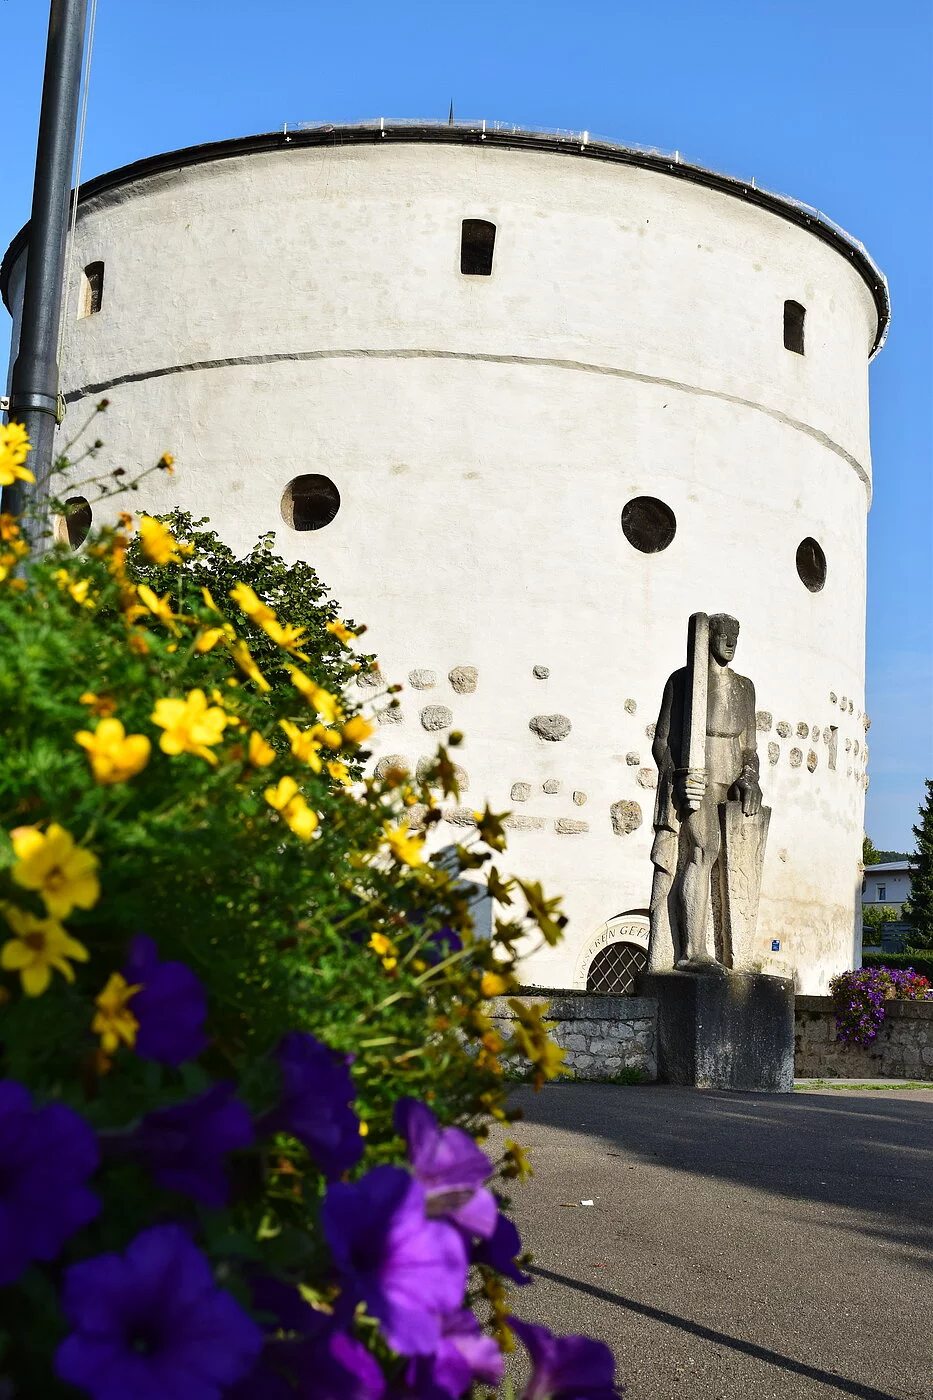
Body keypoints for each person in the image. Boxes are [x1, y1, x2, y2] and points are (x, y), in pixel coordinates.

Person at [648, 613, 762, 970]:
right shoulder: (683, 681)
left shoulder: (744, 688)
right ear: (708, 637)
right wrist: (678, 775)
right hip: (697, 780)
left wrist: (750, 777)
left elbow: (749, 748)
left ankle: (732, 954)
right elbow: (662, 742)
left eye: (735, 635)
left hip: (731, 783)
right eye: (724, 634)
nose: (730, 641)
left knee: (732, 865)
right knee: (702, 850)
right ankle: (691, 952)